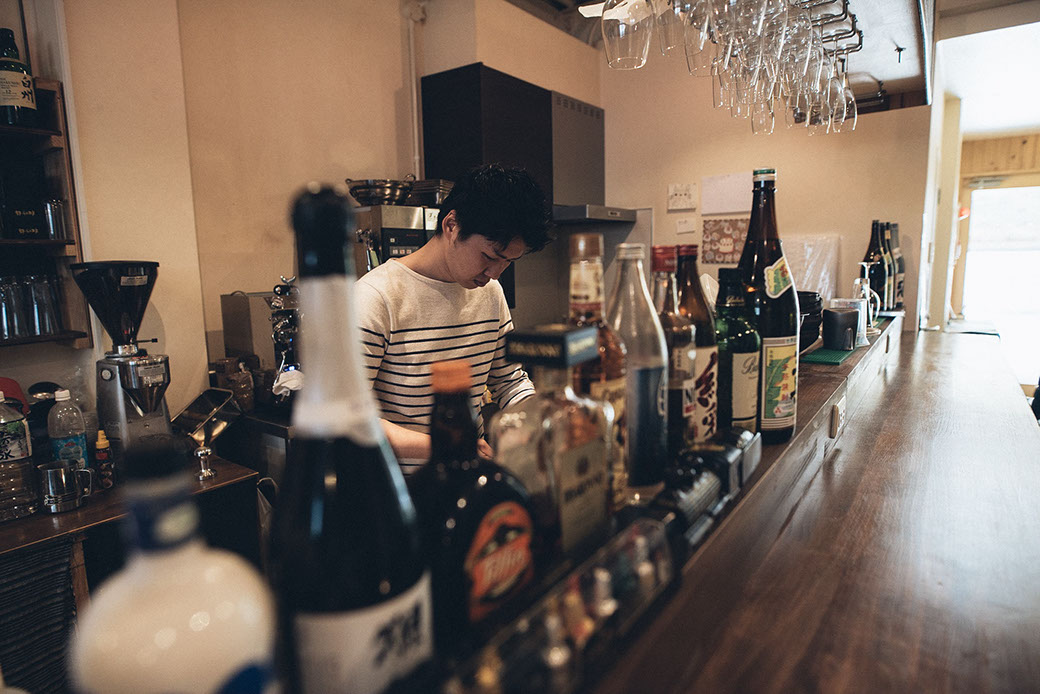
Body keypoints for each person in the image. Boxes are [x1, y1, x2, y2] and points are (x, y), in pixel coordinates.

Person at [355, 164, 554, 473]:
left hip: (467, 477)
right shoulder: (376, 297)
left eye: (508, 262)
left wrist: (543, 424)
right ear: (451, 225)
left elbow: (509, 382)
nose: (494, 274)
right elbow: (349, 419)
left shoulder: (491, 293)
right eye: (489, 257)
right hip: (399, 487)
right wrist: (448, 446)